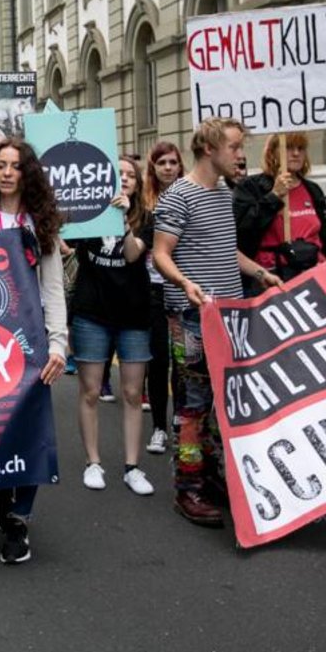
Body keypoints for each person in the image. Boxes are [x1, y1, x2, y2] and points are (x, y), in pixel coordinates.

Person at [151, 118, 282, 528]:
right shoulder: (178, 197)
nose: (241, 155)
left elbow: (227, 252)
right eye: (234, 147)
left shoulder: (224, 193)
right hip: (192, 316)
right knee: (192, 405)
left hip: (229, 314)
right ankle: (187, 488)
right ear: (209, 149)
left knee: (219, 403)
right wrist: (186, 283)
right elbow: (161, 254)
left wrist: (260, 273)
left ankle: (207, 477)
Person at [0, 138, 68, 564]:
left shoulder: (42, 223)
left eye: (15, 166)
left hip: (31, 343)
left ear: (27, 173)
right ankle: (4, 493)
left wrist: (58, 342)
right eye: (0, 165)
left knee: (32, 428)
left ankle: (20, 520)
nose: (7, 172)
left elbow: (53, 287)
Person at [66, 155, 156, 497]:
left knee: (133, 393)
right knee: (89, 391)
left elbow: (133, 255)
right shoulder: (88, 212)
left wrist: (124, 219)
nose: (125, 179)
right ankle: (93, 462)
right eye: (118, 174)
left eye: (130, 175)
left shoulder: (147, 216)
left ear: (137, 183)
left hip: (133, 314)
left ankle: (133, 467)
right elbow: (63, 241)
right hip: (92, 312)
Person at [233, 133, 326, 282]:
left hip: (314, 273)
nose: (296, 153)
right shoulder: (251, 187)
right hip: (273, 276)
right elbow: (244, 230)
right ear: (272, 152)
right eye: (288, 148)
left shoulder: (312, 189)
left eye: (300, 148)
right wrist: (274, 196)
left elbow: (323, 238)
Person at [141, 142, 184, 457]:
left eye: (173, 162)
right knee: (158, 362)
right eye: (162, 163)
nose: (168, 168)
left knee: (184, 362)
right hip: (153, 290)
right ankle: (159, 427)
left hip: (183, 289)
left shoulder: (190, 196)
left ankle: (183, 420)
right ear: (153, 168)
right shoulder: (144, 204)